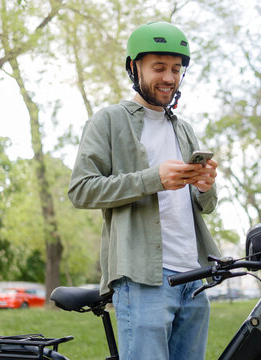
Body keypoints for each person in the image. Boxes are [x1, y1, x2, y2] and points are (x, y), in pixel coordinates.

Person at [68, 21, 220, 360]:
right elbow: (80, 190)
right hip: (142, 277)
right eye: (159, 67)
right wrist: (154, 179)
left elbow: (205, 207)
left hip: (193, 277)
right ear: (134, 67)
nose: (169, 78)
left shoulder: (185, 130)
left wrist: (205, 187)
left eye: (176, 69)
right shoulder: (108, 121)